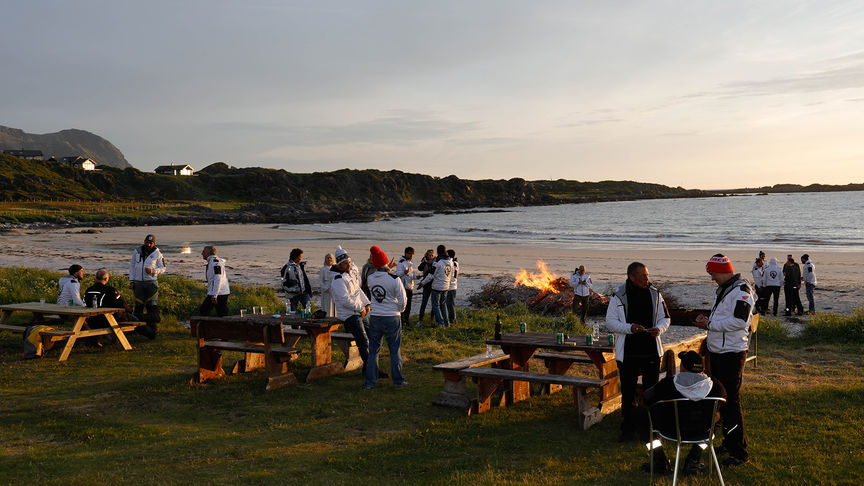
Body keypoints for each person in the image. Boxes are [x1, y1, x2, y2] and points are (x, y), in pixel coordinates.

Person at [693, 254, 752, 466]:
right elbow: (723, 317)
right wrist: (708, 320)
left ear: (724, 271)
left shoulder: (741, 291)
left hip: (731, 354)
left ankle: (739, 453)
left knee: (731, 403)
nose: (711, 278)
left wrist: (709, 325)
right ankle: (729, 442)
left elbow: (738, 321)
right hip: (720, 352)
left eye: (713, 274)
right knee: (722, 400)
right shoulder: (726, 290)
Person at [605, 262, 671, 442]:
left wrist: (659, 329)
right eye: (642, 276)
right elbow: (610, 322)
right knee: (627, 391)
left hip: (651, 351)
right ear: (631, 277)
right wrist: (629, 328)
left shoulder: (655, 293)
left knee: (651, 392)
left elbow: (665, 318)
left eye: (647, 275)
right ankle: (627, 428)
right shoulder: (619, 295)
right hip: (628, 353)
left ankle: (651, 428)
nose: (646, 279)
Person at [642, 351, 727, 476]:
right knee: (717, 418)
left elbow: (646, 398)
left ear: (682, 367)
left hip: (671, 430)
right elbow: (724, 404)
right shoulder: (716, 386)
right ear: (702, 368)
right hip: (702, 431)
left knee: (642, 415)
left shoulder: (668, 384)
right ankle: (694, 459)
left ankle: (660, 460)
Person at [364, 246, 408, 389]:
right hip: (391, 316)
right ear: (386, 262)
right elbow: (403, 300)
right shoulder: (394, 279)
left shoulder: (370, 278)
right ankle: (398, 381)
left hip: (376, 316)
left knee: (373, 351)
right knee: (394, 350)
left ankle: (370, 382)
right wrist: (399, 310)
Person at [329, 247, 371, 374]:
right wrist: (360, 309)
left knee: (371, 337)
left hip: (359, 312)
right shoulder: (337, 280)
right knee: (363, 342)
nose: (348, 265)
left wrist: (367, 303)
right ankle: (371, 370)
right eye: (346, 264)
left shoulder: (349, 275)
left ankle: (368, 367)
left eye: (349, 262)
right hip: (349, 315)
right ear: (339, 265)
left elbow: (358, 291)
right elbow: (345, 300)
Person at [84, 268, 157, 340]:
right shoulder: (110, 290)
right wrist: (129, 309)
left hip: (92, 319)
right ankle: (151, 334)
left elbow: (84, 303)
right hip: (107, 318)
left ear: (96, 278)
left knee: (135, 316)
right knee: (134, 318)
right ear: (106, 279)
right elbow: (121, 303)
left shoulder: (88, 290)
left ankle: (151, 321)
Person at [129, 234, 165, 324]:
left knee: (151, 306)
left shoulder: (157, 253)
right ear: (144, 241)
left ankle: (152, 327)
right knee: (138, 306)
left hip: (151, 283)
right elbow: (132, 266)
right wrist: (131, 280)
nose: (148, 244)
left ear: (154, 243)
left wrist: (153, 271)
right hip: (138, 283)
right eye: (147, 242)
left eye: (151, 243)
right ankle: (136, 328)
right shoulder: (136, 251)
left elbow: (163, 268)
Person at [419, 245, 453, 327]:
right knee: (443, 305)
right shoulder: (450, 262)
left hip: (437, 287)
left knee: (435, 306)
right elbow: (450, 275)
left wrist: (422, 283)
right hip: (446, 286)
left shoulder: (438, 263)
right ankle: (447, 323)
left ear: (437, 252)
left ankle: (441, 323)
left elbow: (431, 275)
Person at [199, 245, 230, 317]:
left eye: (203, 252)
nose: (201, 253)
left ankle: (206, 327)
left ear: (208, 253)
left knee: (204, 311)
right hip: (219, 292)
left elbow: (218, 278)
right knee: (221, 313)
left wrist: (214, 295)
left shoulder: (215, 262)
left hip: (219, 293)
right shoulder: (212, 262)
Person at [395, 247, 416, 327]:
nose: (411, 255)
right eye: (409, 253)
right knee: (403, 305)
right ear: (406, 253)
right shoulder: (401, 263)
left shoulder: (411, 263)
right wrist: (404, 272)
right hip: (403, 287)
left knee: (409, 305)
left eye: (412, 254)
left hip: (410, 286)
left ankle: (406, 321)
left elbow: (412, 275)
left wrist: (417, 277)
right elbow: (397, 274)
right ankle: (402, 322)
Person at [416, 249, 435, 324]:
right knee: (424, 303)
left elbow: (432, 272)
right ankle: (420, 320)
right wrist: (425, 262)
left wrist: (429, 263)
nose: (430, 257)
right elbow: (419, 268)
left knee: (434, 304)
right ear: (426, 255)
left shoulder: (436, 262)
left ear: (434, 256)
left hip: (434, 285)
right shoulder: (424, 261)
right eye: (429, 255)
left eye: (432, 255)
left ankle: (432, 319)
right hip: (426, 285)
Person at [445, 249, 459, 325]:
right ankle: (452, 319)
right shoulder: (455, 263)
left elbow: (455, 275)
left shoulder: (451, 263)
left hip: (450, 287)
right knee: (451, 304)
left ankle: (452, 320)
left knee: (450, 304)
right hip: (454, 286)